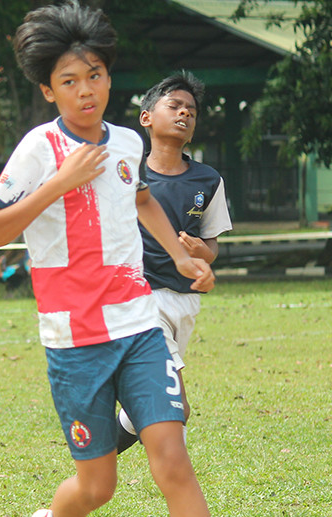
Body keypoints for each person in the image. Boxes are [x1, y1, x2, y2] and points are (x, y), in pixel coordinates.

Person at [0, 2, 250, 517]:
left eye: (94, 75)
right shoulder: (38, 150)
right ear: (48, 90)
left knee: (172, 458)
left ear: (108, 78)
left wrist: (182, 256)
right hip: (73, 342)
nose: (85, 90)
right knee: (99, 485)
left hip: (138, 327)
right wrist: (58, 185)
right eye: (69, 81)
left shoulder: (127, 144)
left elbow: (141, 196)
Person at [115, 71, 231, 461]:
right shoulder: (126, 175)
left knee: (138, 411)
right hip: (139, 301)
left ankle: (93, 462)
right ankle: (181, 494)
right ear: (146, 117)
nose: (184, 114)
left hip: (183, 302)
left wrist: (202, 251)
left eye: (191, 112)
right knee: (175, 406)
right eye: (174, 106)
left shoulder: (208, 180)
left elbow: (211, 248)